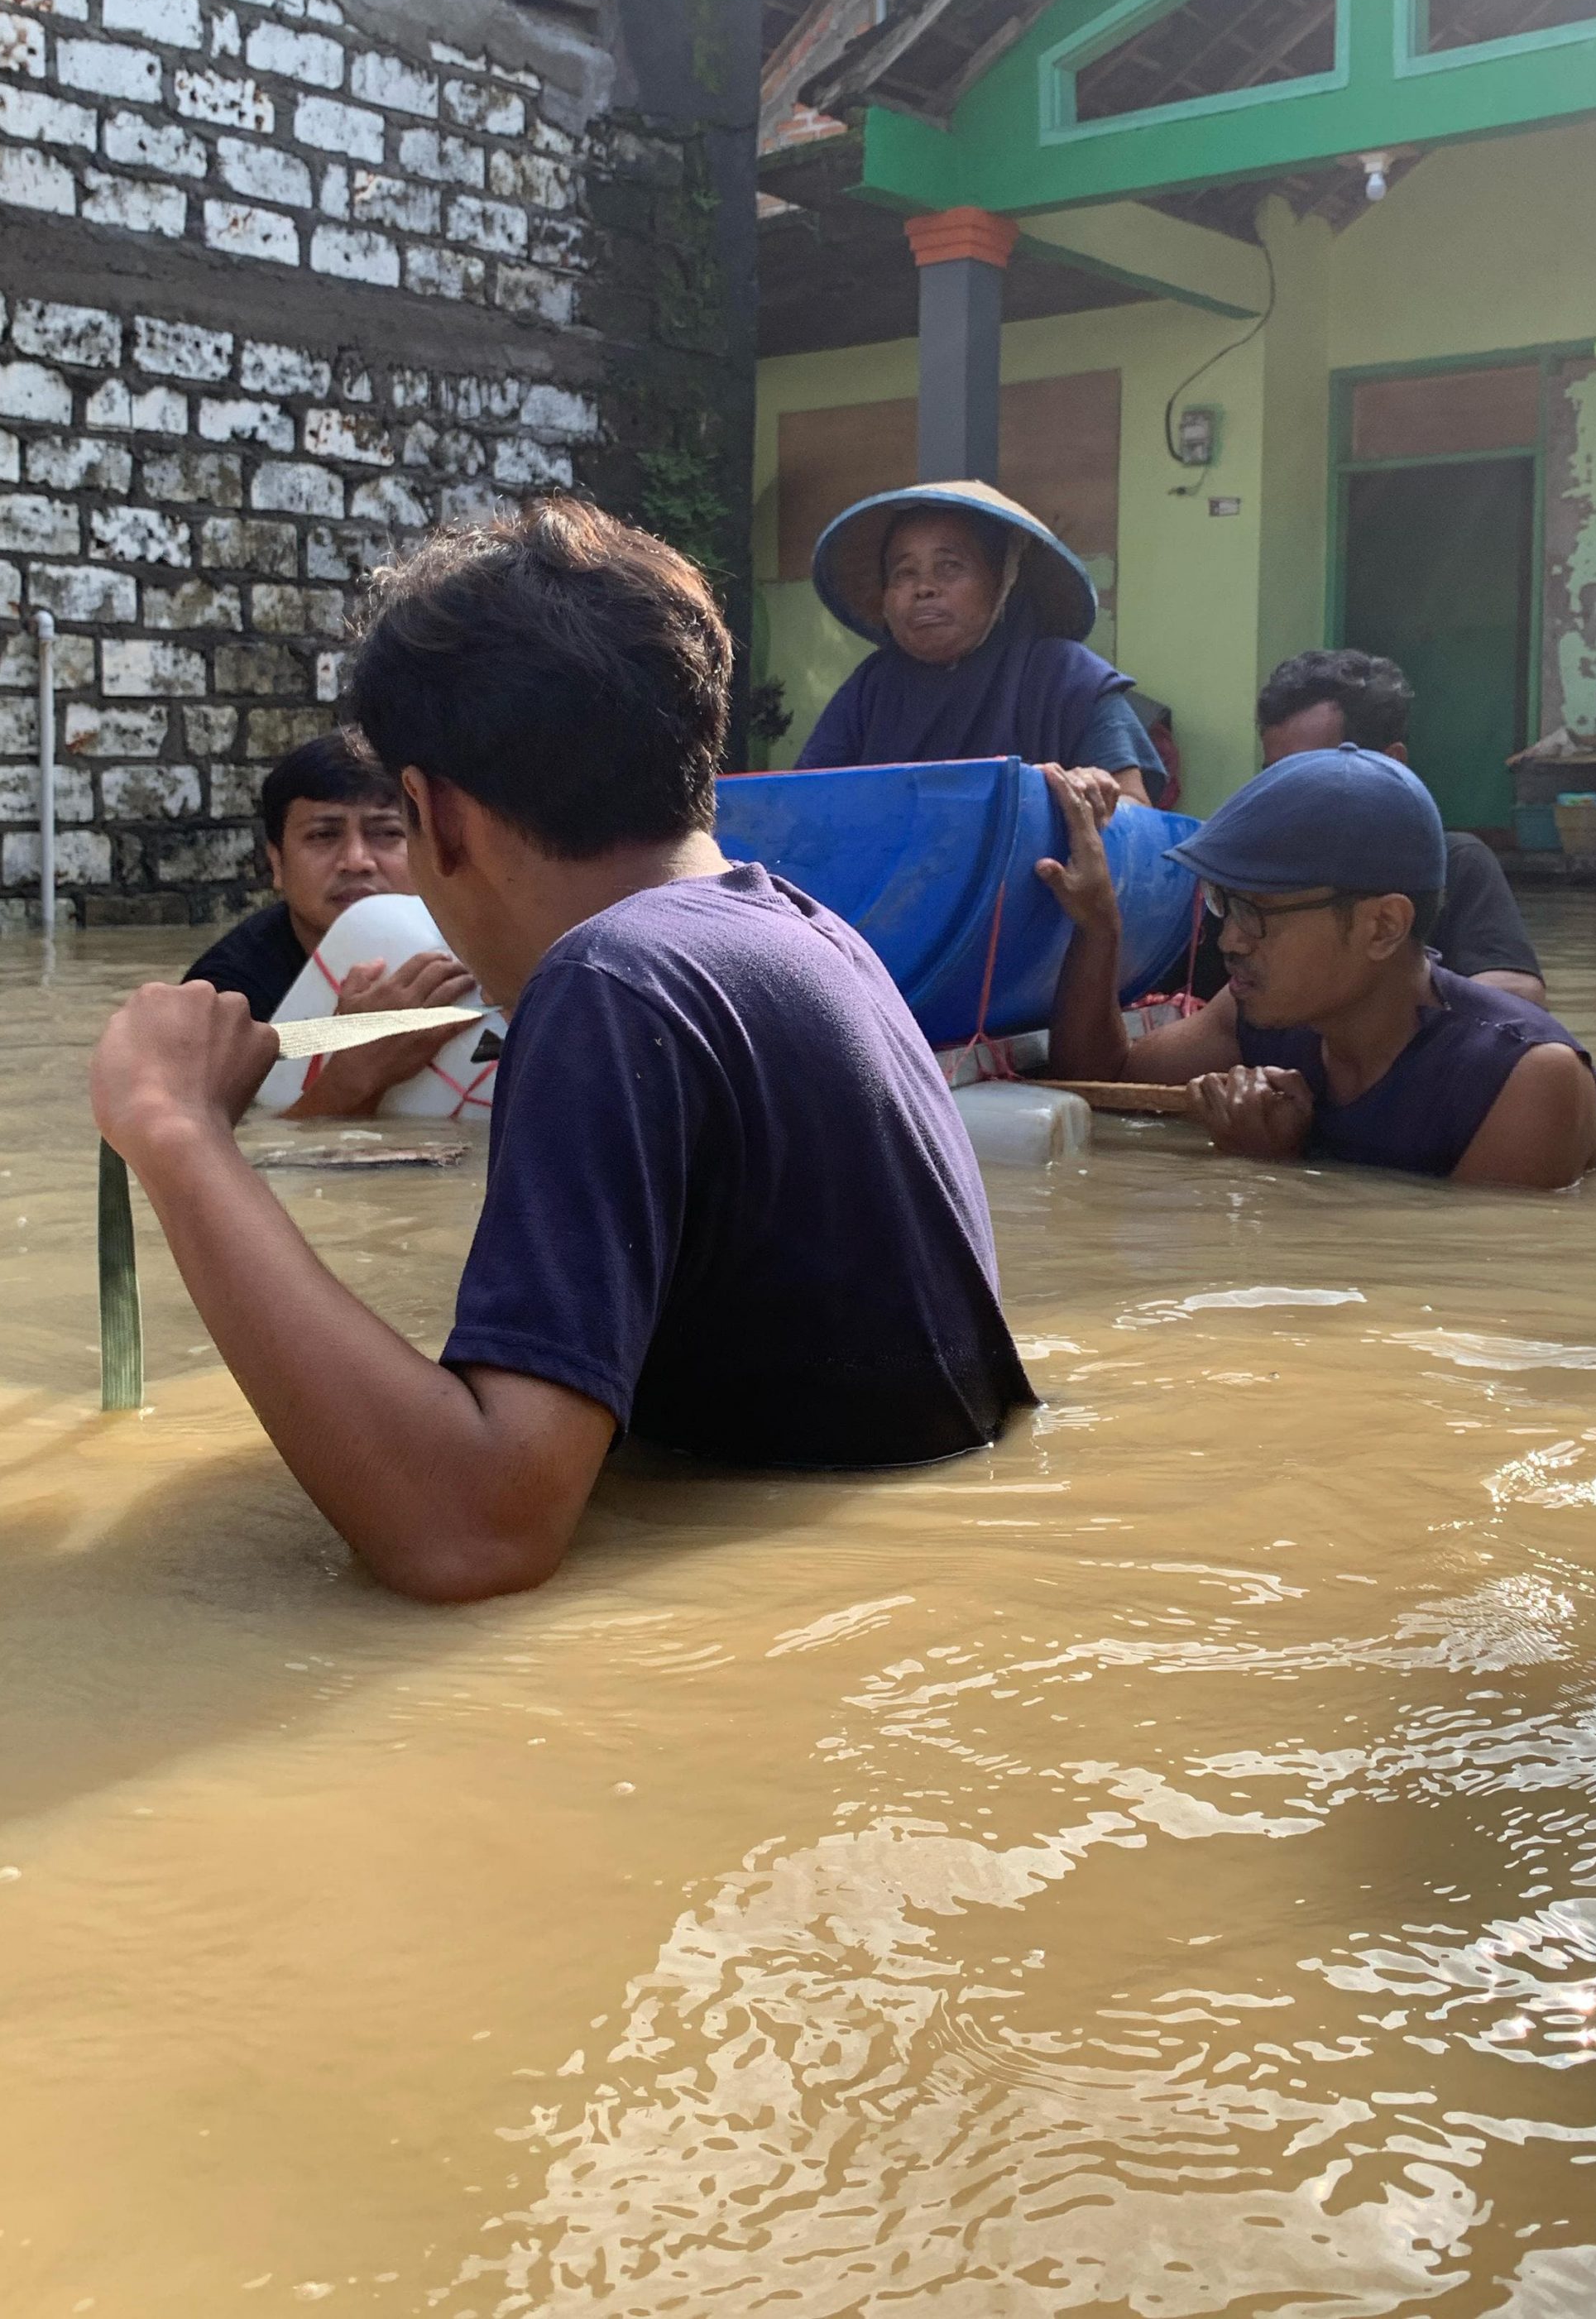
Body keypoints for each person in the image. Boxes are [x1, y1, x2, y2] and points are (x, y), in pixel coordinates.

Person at [90, 502, 1036, 1603]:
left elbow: (469, 1536)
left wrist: (176, 1132)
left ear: (434, 817)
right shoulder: (815, 938)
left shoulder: (610, 983)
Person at [1041, 747, 1596, 1190]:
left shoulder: (1524, 1080)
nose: (1232, 941)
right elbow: (1104, 1080)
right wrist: (1097, 926)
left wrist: (1273, 1173)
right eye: (1225, 905)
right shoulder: (1266, 1013)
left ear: (1382, 927)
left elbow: (1457, 1298)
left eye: (1258, 912)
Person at [796, 481, 1164, 812]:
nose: (924, 588)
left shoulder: (1069, 677)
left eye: (950, 566)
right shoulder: (871, 688)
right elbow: (803, 803)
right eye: (904, 573)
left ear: (1002, 583)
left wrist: (1092, 797)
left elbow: (1137, 810)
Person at [182, 733, 477, 1121]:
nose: (356, 861)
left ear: (434, 848)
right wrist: (356, 1074)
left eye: (388, 833)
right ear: (276, 863)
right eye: (324, 835)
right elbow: (230, 1153)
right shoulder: (229, 997)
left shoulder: (489, 948)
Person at [1246, 649, 1545, 998]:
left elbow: (1520, 993)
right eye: (1276, 776)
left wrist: (1364, 996)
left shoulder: (1455, 863)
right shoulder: (1248, 866)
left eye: (1314, 773)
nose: (1287, 796)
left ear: (1391, 763)